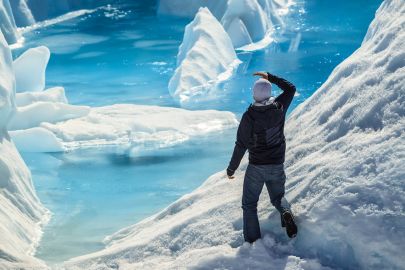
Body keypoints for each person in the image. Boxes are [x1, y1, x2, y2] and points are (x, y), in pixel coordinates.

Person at [226, 71, 298, 243]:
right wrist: (269, 76)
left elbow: (241, 145)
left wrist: (231, 168)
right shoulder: (279, 107)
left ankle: (252, 242)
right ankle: (285, 212)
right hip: (276, 164)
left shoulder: (249, 116)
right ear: (270, 94)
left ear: (254, 94)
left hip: (256, 167)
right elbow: (290, 89)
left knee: (249, 205)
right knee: (277, 197)